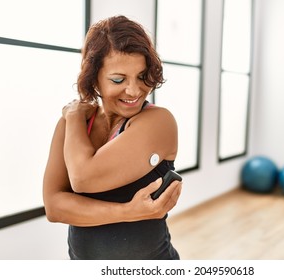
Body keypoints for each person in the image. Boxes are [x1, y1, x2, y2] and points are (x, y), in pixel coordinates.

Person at [43, 15, 182, 260]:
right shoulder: (72, 125)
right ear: (93, 76)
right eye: (118, 79)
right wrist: (128, 212)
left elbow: (83, 179)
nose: (134, 90)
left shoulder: (158, 122)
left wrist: (73, 116)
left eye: (141, 76)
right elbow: (54, 207)